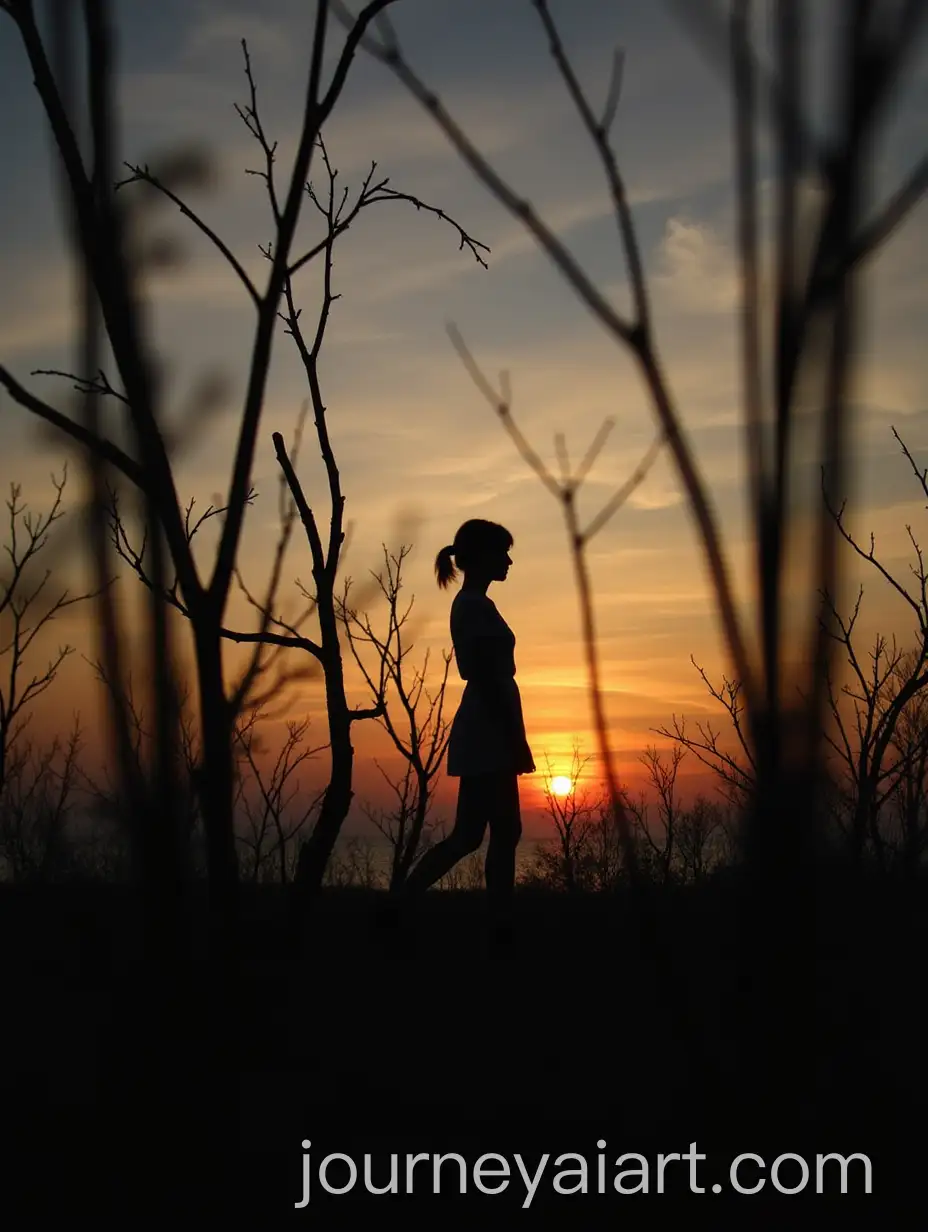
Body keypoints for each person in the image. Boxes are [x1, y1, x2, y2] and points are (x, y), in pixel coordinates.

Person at [382, 518, 534, 941]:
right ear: (481, 556)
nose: (508, 560)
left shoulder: (474, 604)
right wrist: (512, 738)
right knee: (495, 832)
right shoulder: (472, 606)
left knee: (479, 832)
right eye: (501, 552)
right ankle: (498, 922)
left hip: (488, 725)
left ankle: (406, 904)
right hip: (488, 727)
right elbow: (483, 675)